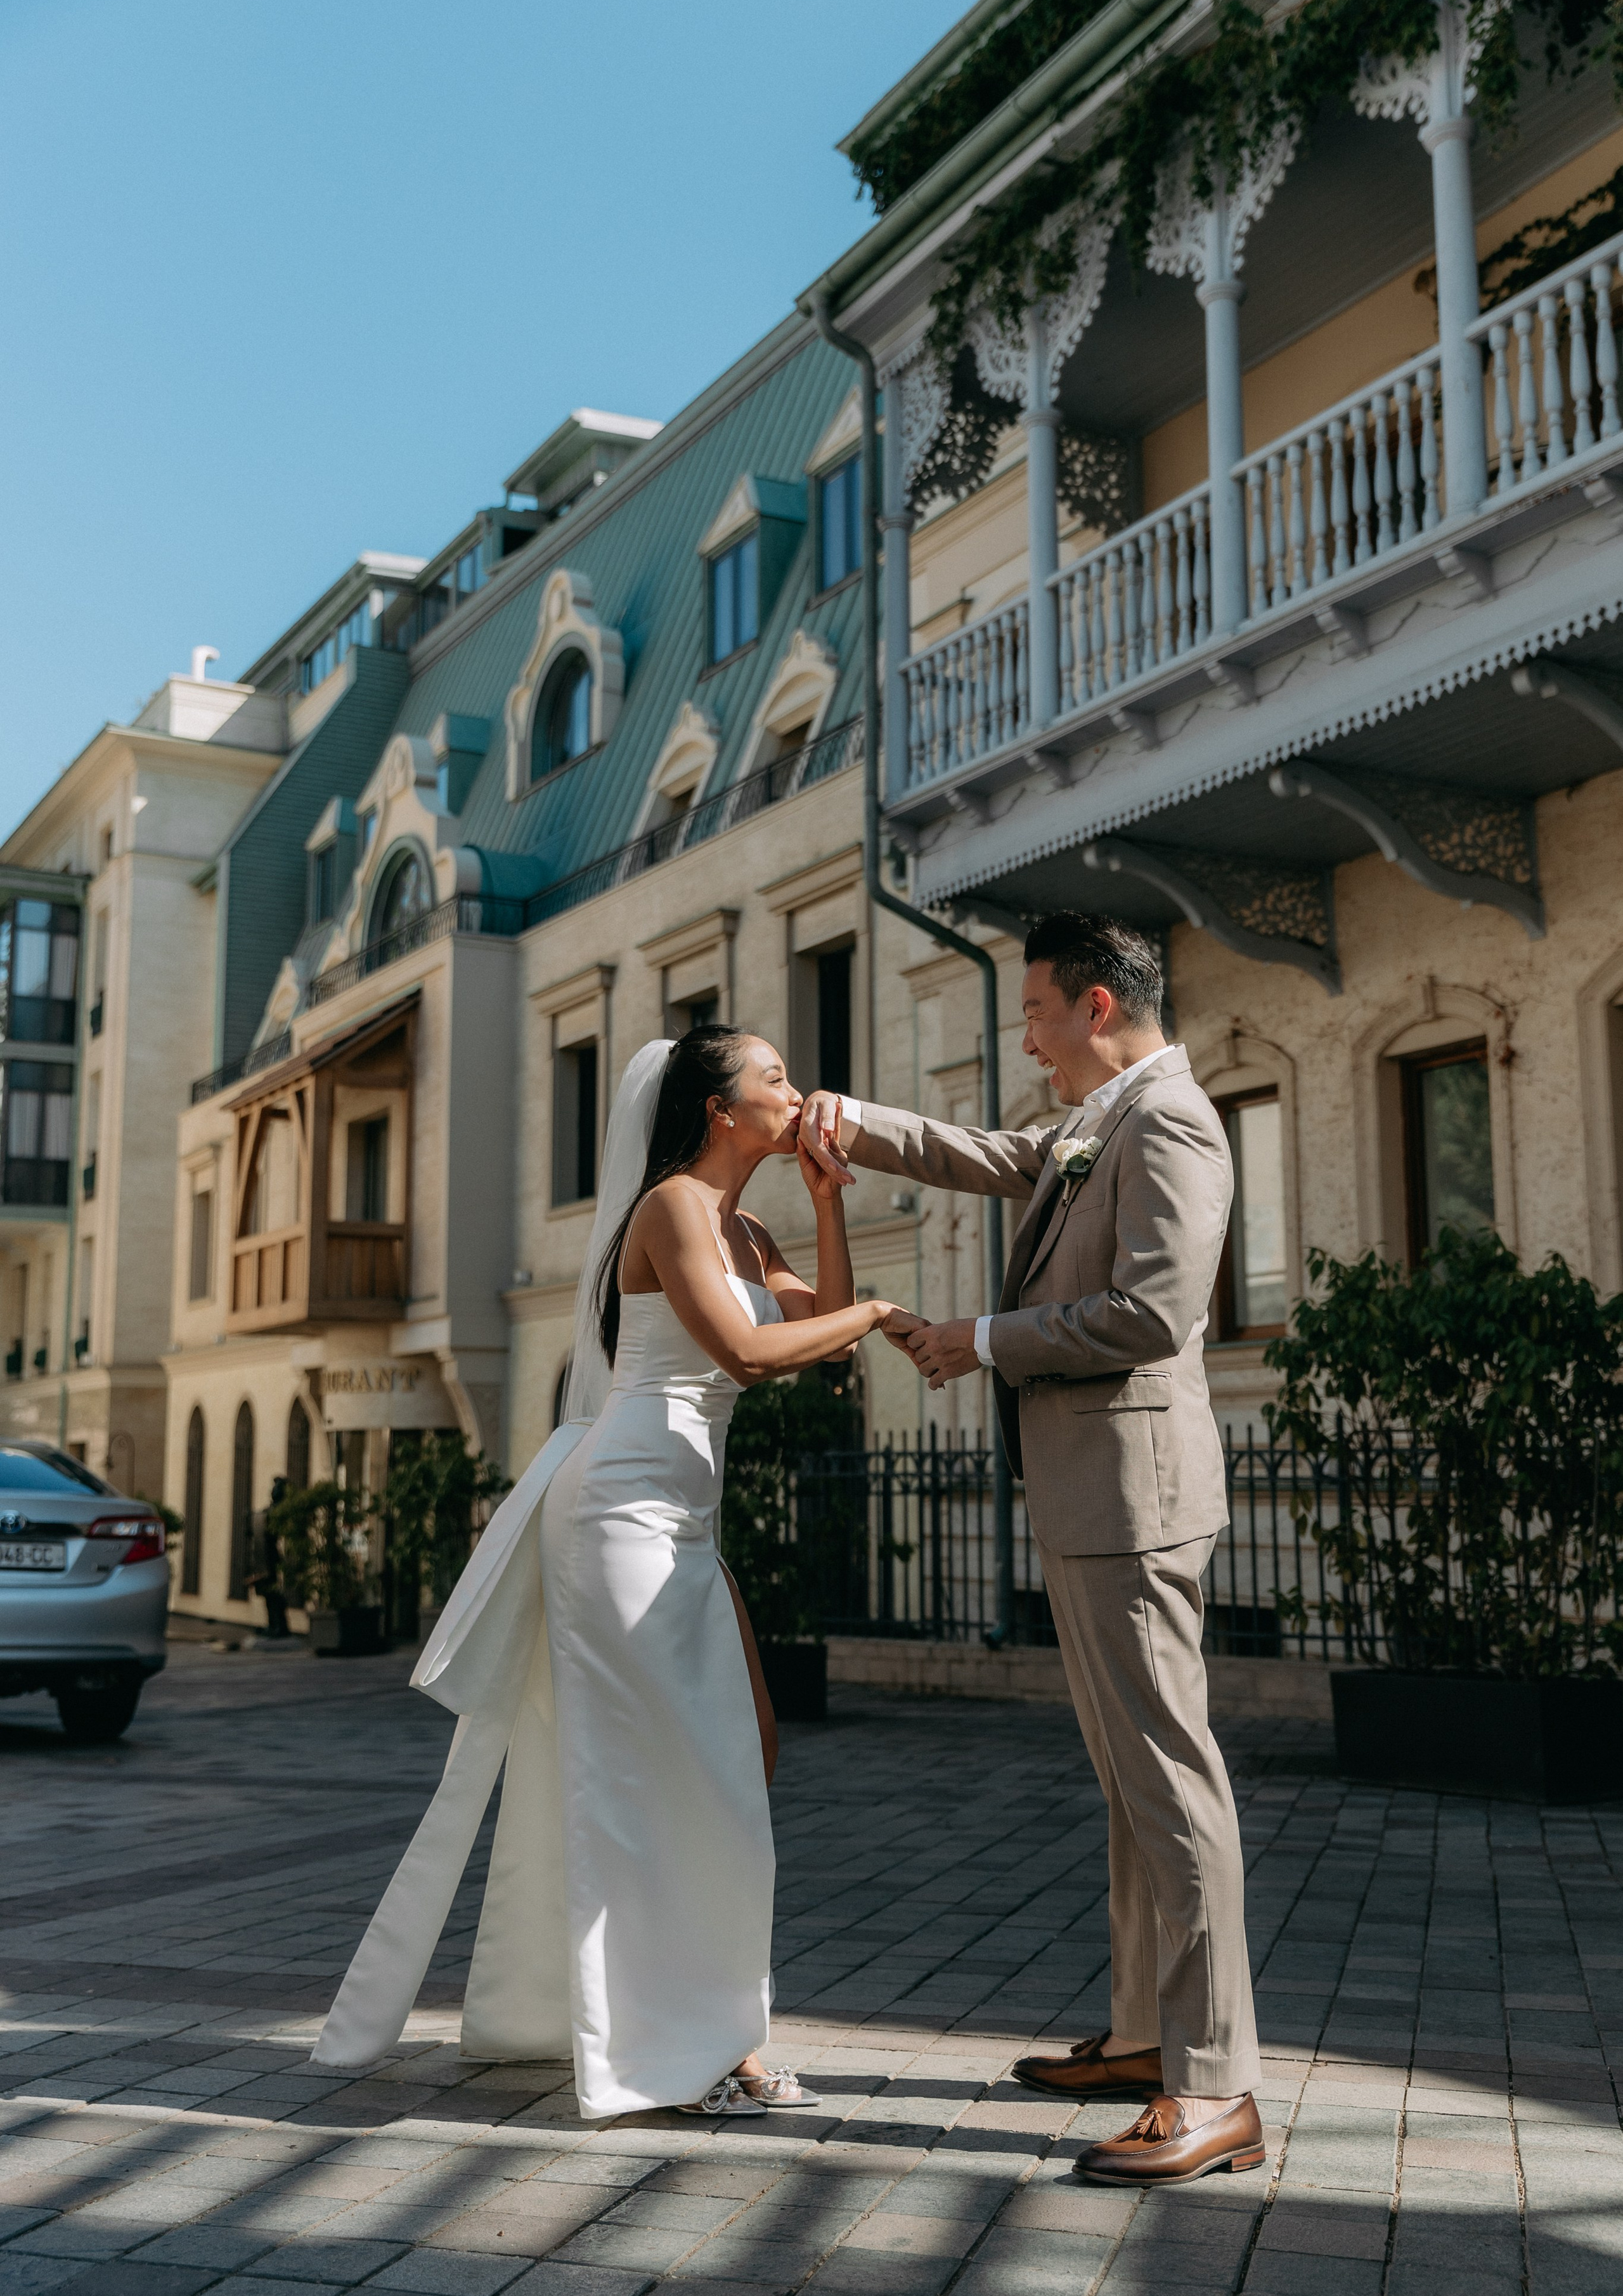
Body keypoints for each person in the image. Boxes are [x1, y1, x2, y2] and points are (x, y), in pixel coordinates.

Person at [316, 1027, 912, 2122]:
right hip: (618, 1512)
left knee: (748, 1753)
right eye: (773, 1076)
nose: (797, 1087)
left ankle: (701, 2024)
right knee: (670, 1773)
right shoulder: (673, 1206)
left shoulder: (744, 1219)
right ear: (718, 1110)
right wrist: (876, 1313)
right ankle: (682, 2047)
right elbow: (747, 1354)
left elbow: (814, 1334)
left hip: (682, 1515)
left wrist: (831, 1206)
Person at [801, 912, 1264, 2186]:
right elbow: (999, 1154)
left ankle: (1215, 2081)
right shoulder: (1093, 1120)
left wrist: (982, 1339)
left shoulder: (1166, 1121)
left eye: (1036, 1012)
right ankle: (1136, 2036)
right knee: (1130, 1783)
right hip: (1087, 1496)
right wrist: (852, 1118)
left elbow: (1152, 1311)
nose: (1028, 1036)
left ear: (1098, 1006)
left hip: (1133, 1500)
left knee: (1171, 1781)